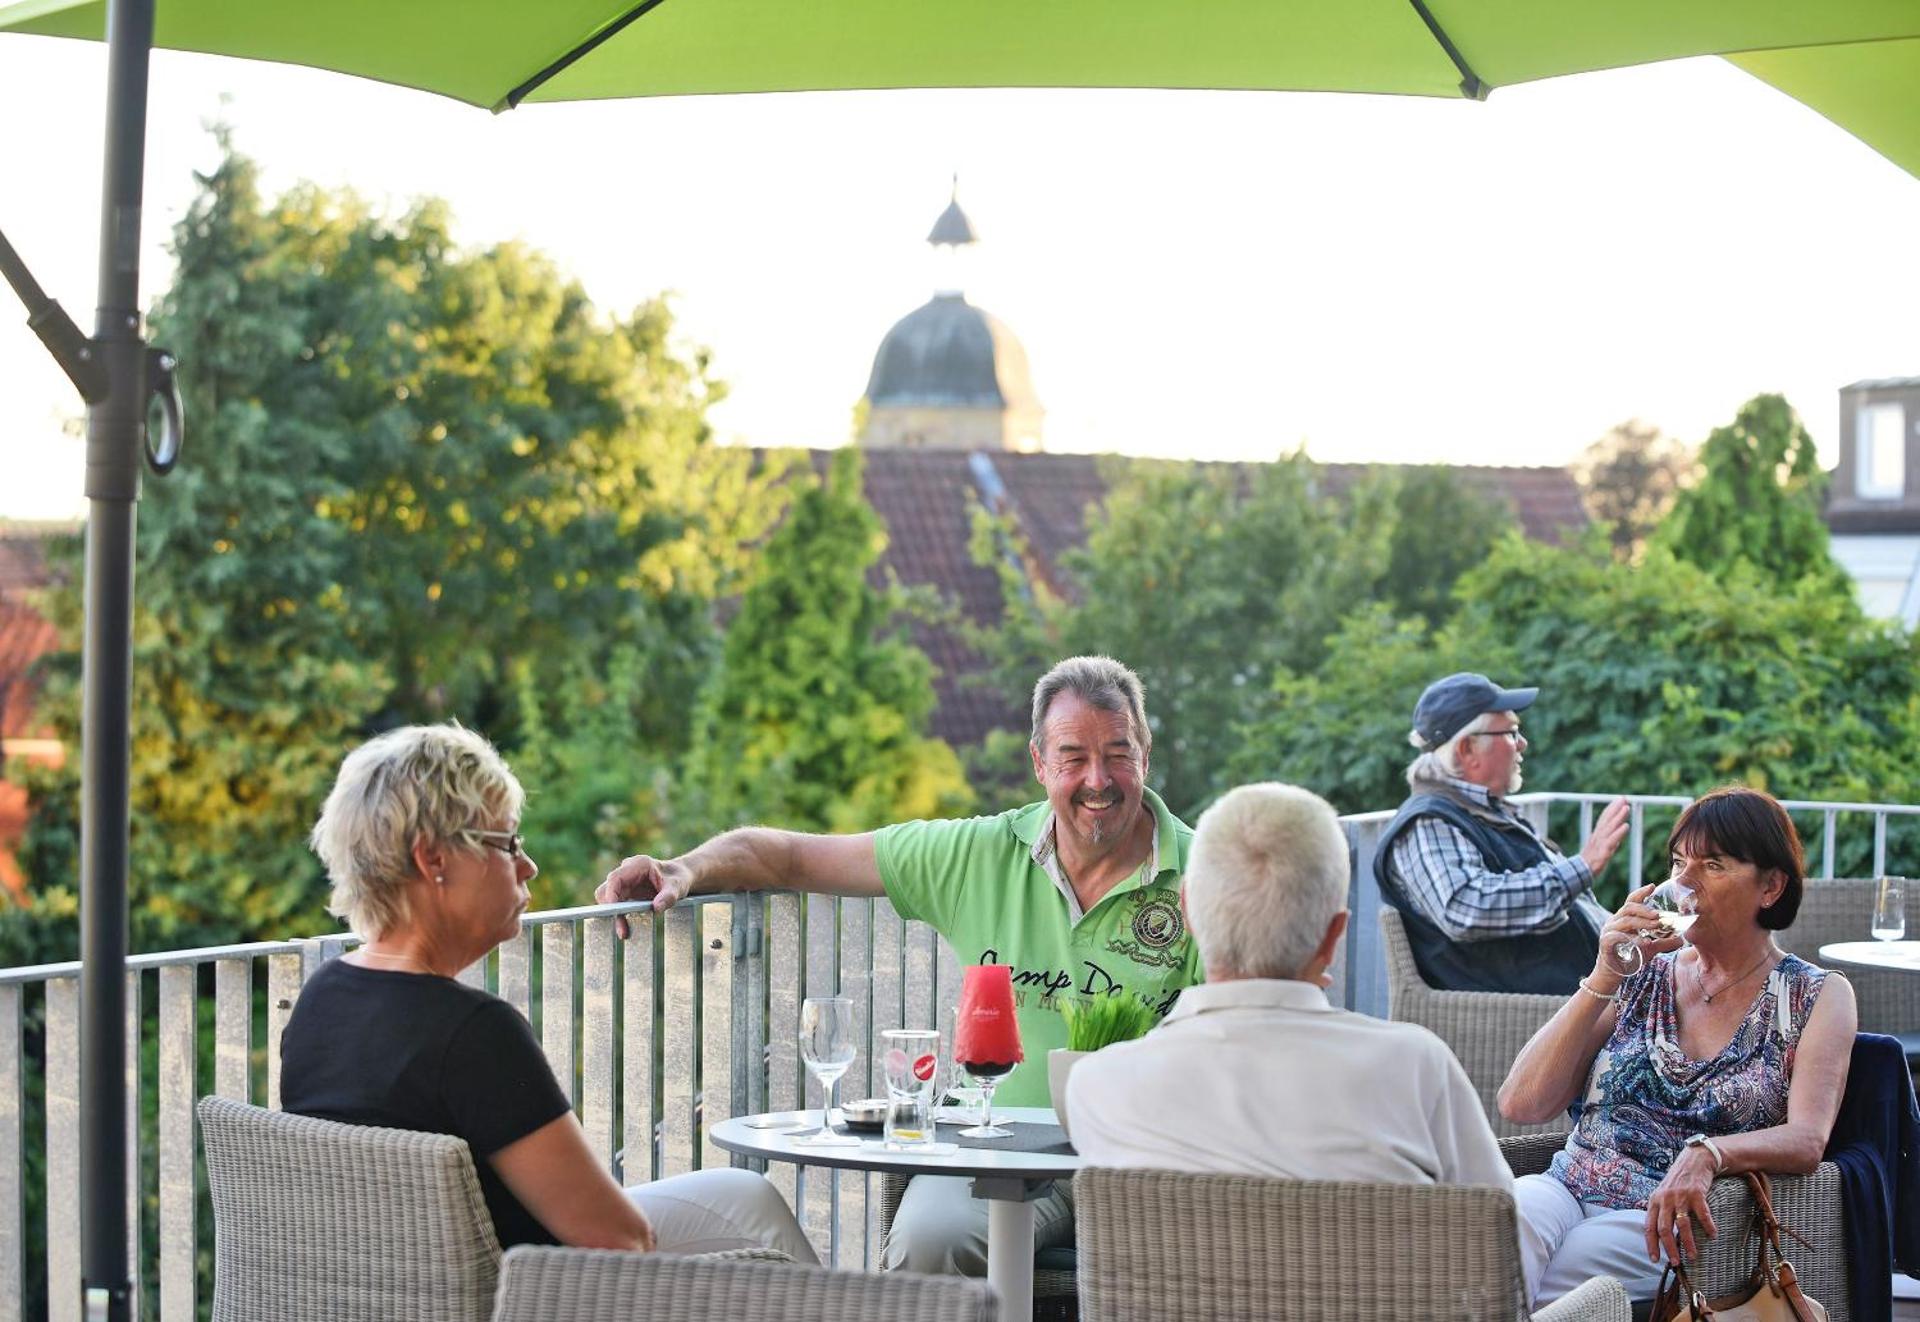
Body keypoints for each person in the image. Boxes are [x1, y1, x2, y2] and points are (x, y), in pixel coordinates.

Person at [595, 654, 1202, 1277]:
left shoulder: (1207, 875)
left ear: (1145, 755)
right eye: (1073, 757)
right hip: (986, 1146)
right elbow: (789, 858)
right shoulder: (977, 856)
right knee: (929, 1239)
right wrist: (683, 869)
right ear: (1039, 764)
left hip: (1149, 1160)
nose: (1097, 779)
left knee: (1189, 1261)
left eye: (1118, 754)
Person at [283, 723, 816, 1261]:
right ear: (434, 860)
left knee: (745, 1198)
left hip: (393, 1287)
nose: (528, 866)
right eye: (507, 842)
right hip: (529, 1290)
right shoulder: (472, 1034)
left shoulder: (320, 1001)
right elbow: (623, 1241)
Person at [1497, 786, 1857, 1308]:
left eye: (1712, 865)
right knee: (1499, 1232)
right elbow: (1521, 1104)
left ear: (1771, 887)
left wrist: (1708, 1153)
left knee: (1514, 1283)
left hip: (1664, 1219)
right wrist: (1604, 975)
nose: (1684, 883)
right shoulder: (1644, 974)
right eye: (1678, 862)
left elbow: (1807, 1139)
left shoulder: (1813, 995)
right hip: (1566, 1186)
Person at [1068, 781, 1510, 1188]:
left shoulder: (1098, 1088)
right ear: (1334, 934)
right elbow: (1499, 1233)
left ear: (1186, 912)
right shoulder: (1416, 1068)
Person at [1374, 671, 1634, 993]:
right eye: (1511, 733)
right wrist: (1582, 866)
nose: (1523, 743)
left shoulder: (1484, 811)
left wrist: (1630, 930)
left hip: (1592, 985)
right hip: (1546, 1003)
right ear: (1467, 749)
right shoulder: (1428, 823)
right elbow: (1466, 908)